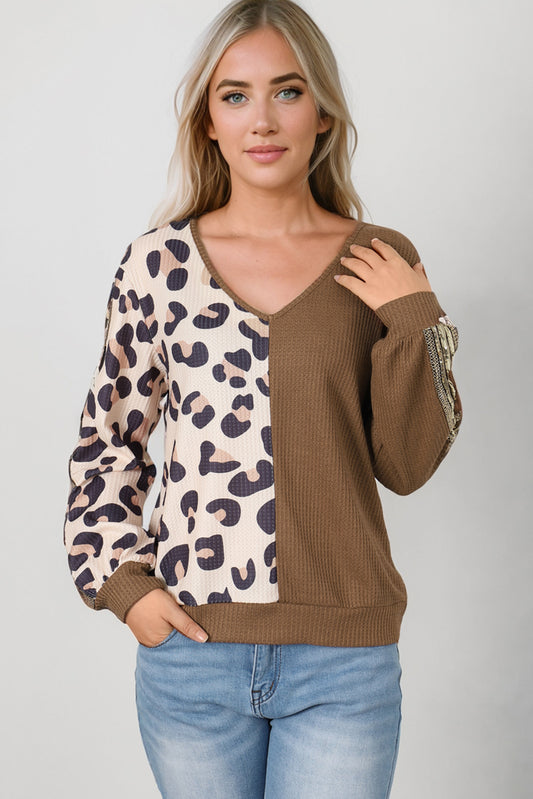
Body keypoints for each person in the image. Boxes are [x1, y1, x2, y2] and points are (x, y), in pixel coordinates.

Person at [63, 1, 462, 797]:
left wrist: (415, 319)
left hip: (343, 661)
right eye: (235, 95)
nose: (262, 119)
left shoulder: (379, 260)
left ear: (323, 112)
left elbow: (406, 464)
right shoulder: (156, 265)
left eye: (287, 90)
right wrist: (125, 588)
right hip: (192, 656)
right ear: (208, 121)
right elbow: (108, 443)